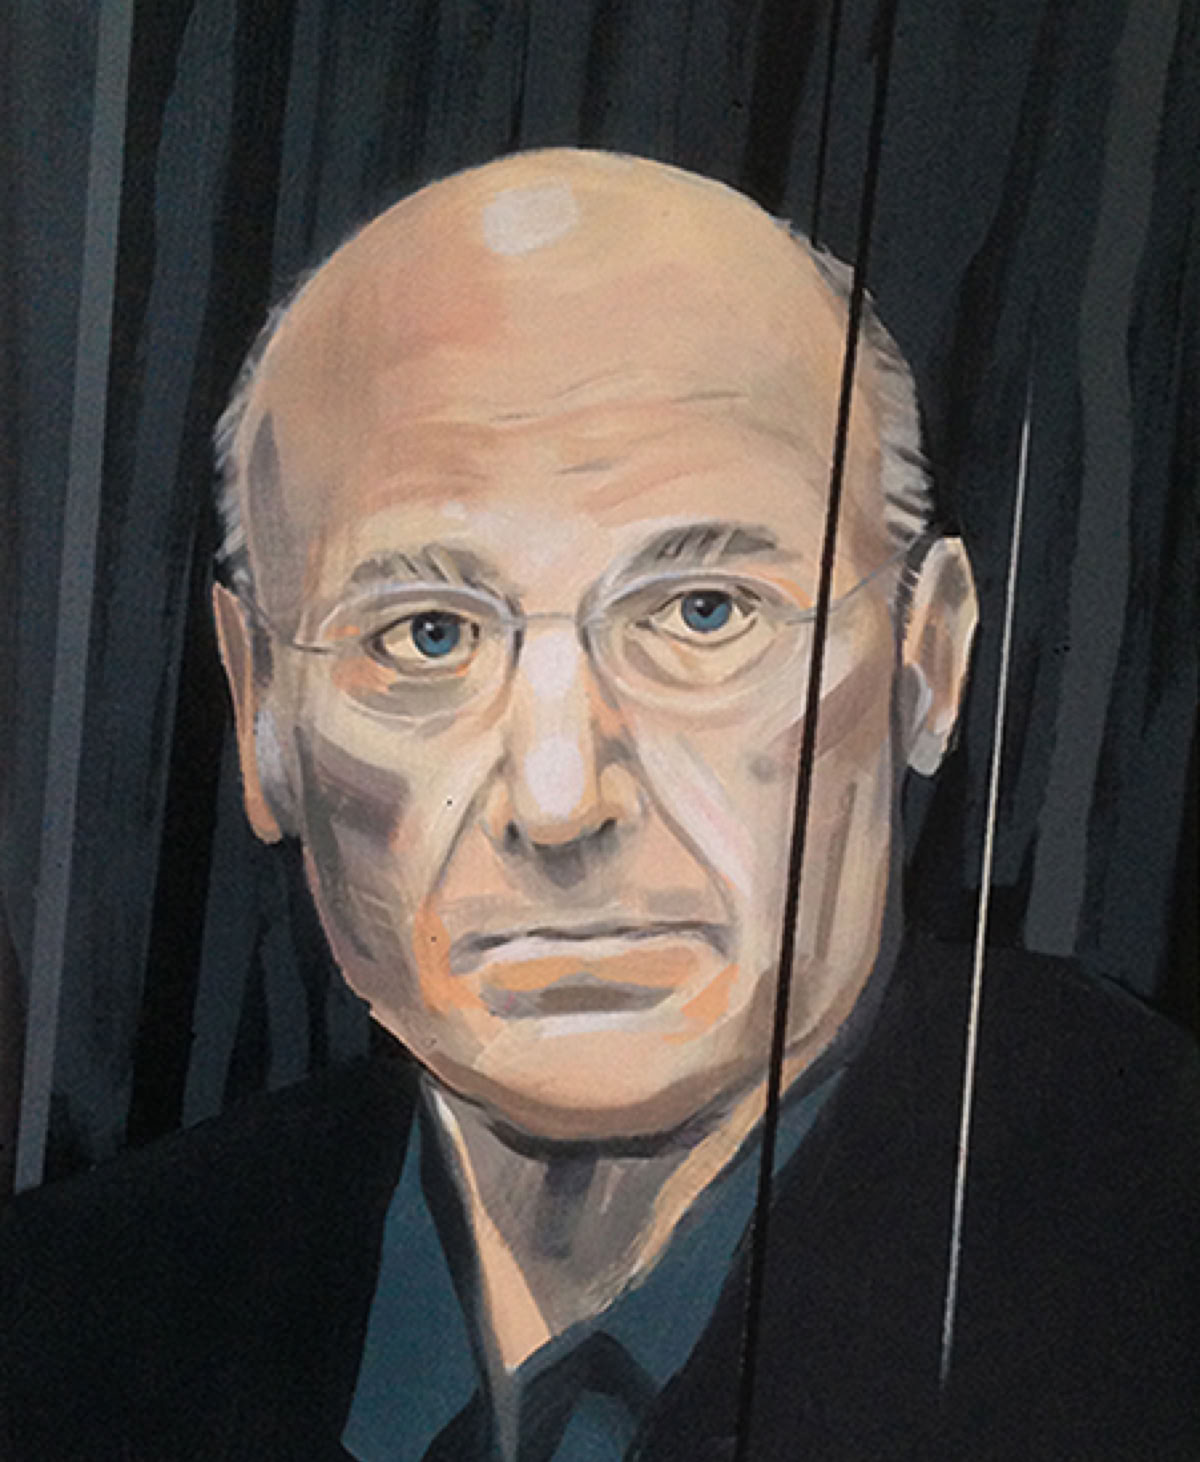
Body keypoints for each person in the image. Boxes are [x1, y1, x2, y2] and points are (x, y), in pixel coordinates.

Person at [1, 150, 1196, 1461]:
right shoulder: (67, 1323)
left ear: (929, 660)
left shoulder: (1151, 1271)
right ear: (260, 708)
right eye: (428, 633)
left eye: (704, 612)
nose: (560, 801)